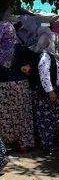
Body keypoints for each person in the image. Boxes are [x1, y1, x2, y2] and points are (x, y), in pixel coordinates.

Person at [0, 21, 35, 152]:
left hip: (2, 86)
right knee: (22, 113)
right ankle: (23, 143)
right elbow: (34, 58)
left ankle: (5, 143)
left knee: (5, 115)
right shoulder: (20, 48)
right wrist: (27, 67)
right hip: (20, 86)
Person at [33, 29, 59, 156]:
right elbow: (44, 75)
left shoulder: (52, 55)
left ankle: (53, 142)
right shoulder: (44, 57)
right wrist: (50, 91)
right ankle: (47, 145)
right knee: (46, 120)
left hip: (55, 90)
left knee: (54, 118)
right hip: (49, 93)